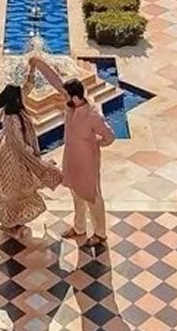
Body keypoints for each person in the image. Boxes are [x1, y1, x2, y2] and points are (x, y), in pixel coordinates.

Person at [28, 55, 115, 248]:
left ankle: (100, 233)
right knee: (76, 193)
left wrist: (96, 144)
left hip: (87, 161)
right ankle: (79, 228)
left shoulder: (93, 115)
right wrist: (38, 63)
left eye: (66, 95)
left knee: (92, 195)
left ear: (75, 96)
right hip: (72, 157)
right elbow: (56, 80)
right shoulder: (71, 105)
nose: (63, 97)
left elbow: (109, 136)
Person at [0, 82, 63, 233]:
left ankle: (14, 220)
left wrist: (31, 72)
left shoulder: (16, 108)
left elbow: (26, 89)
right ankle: (11, 221)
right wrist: (30, 151)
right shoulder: (11, 117)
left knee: (19, 188)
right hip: (12, 154)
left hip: (15, 150)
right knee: (13, 187)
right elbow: (17, 142)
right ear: (15, 99)